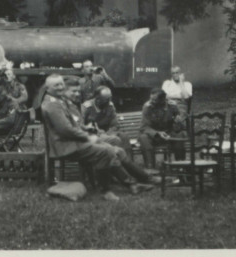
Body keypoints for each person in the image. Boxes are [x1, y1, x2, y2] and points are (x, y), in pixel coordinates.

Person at [41, 74, 153, 202]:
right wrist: (87, 138)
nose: (60, 87)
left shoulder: (60, 100)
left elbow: (73, 124)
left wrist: (86, 129)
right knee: (106, 152)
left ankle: (134, 183)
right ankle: (106, 190)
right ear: (47, 87)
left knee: (116, 150)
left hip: (74, 141)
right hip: (66, 146)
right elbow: (65, 130)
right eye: (56, 85)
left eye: (61, 84)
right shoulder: (52, 104)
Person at [81, 86, 133, 158]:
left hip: (108, 132)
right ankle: (116, 162)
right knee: (115, 140)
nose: (109, 101)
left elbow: (115, 125)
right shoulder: (86, 107)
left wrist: (108, 133)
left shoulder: (110, 106)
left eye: (109, 98)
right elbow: (81, 126)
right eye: (106, 100)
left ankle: (129, 162)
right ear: (97, 99)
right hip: (93, 134)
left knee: (124, 137)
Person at [138, 88, 181, 169]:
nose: (151, 101)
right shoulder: (147, 107)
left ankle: (181, 166)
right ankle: (150, 168)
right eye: (150, 99)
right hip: (152, 135)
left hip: (168, 133)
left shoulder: (172, 106)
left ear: (163, 100)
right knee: (143, 138)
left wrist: (178, 122)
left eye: (154, 100)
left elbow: (178, 126)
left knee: (180, 135)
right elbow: (144, 127)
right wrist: (158, 133)